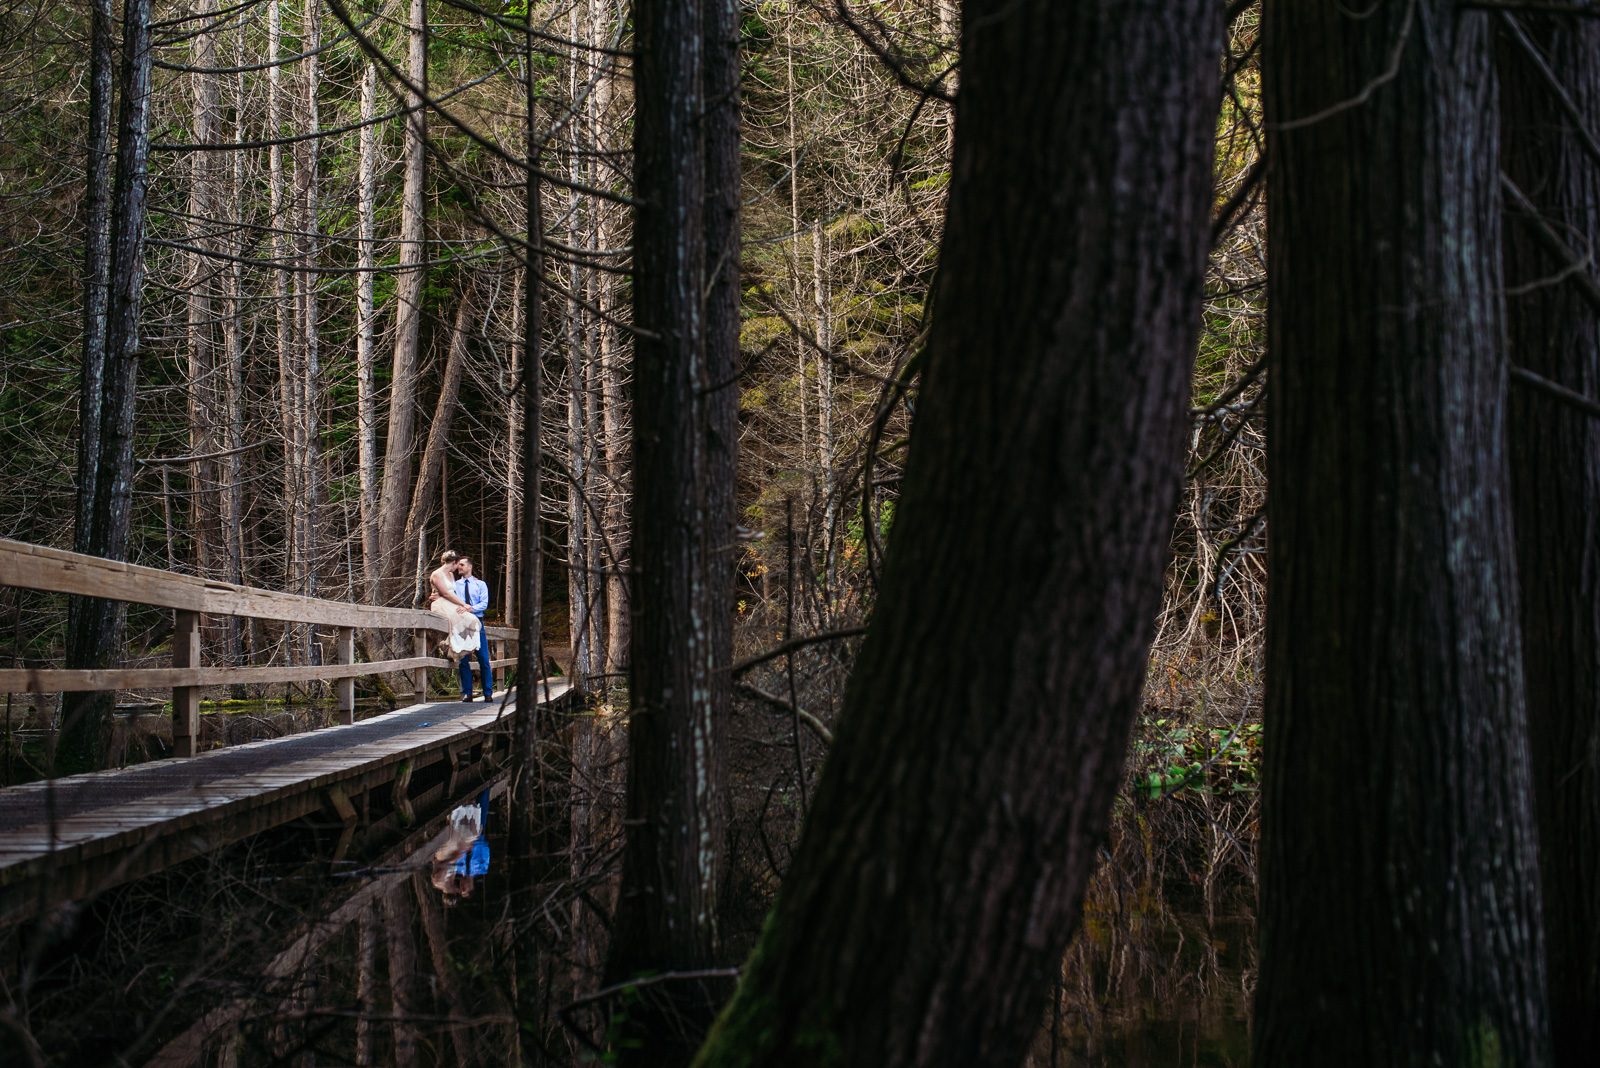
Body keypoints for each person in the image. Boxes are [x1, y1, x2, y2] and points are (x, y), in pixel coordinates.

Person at [428, 551, 480, 664]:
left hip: (451, 603)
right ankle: (449, 647)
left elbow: (453, 591)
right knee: (456, 620)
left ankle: (448, 647)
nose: (458, 568)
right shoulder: (437, 574)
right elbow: (446, 593)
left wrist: (473, 579)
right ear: (453, 562)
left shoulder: (451, 575)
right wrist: (463, 604)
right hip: (440, 602)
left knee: (473, 620)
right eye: (457, 564)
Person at [455, 556, 493, 701]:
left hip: (477, 623)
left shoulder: (480, 585)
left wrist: (470, 609)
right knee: (463, 659)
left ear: (470, 567)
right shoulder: (455, 585)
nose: (459, 567)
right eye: (458, 565)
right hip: (461, 624)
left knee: (483, 658)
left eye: (462, 565)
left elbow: (484, 604)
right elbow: (450, 599)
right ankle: (467, 693)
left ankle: (488, 693)